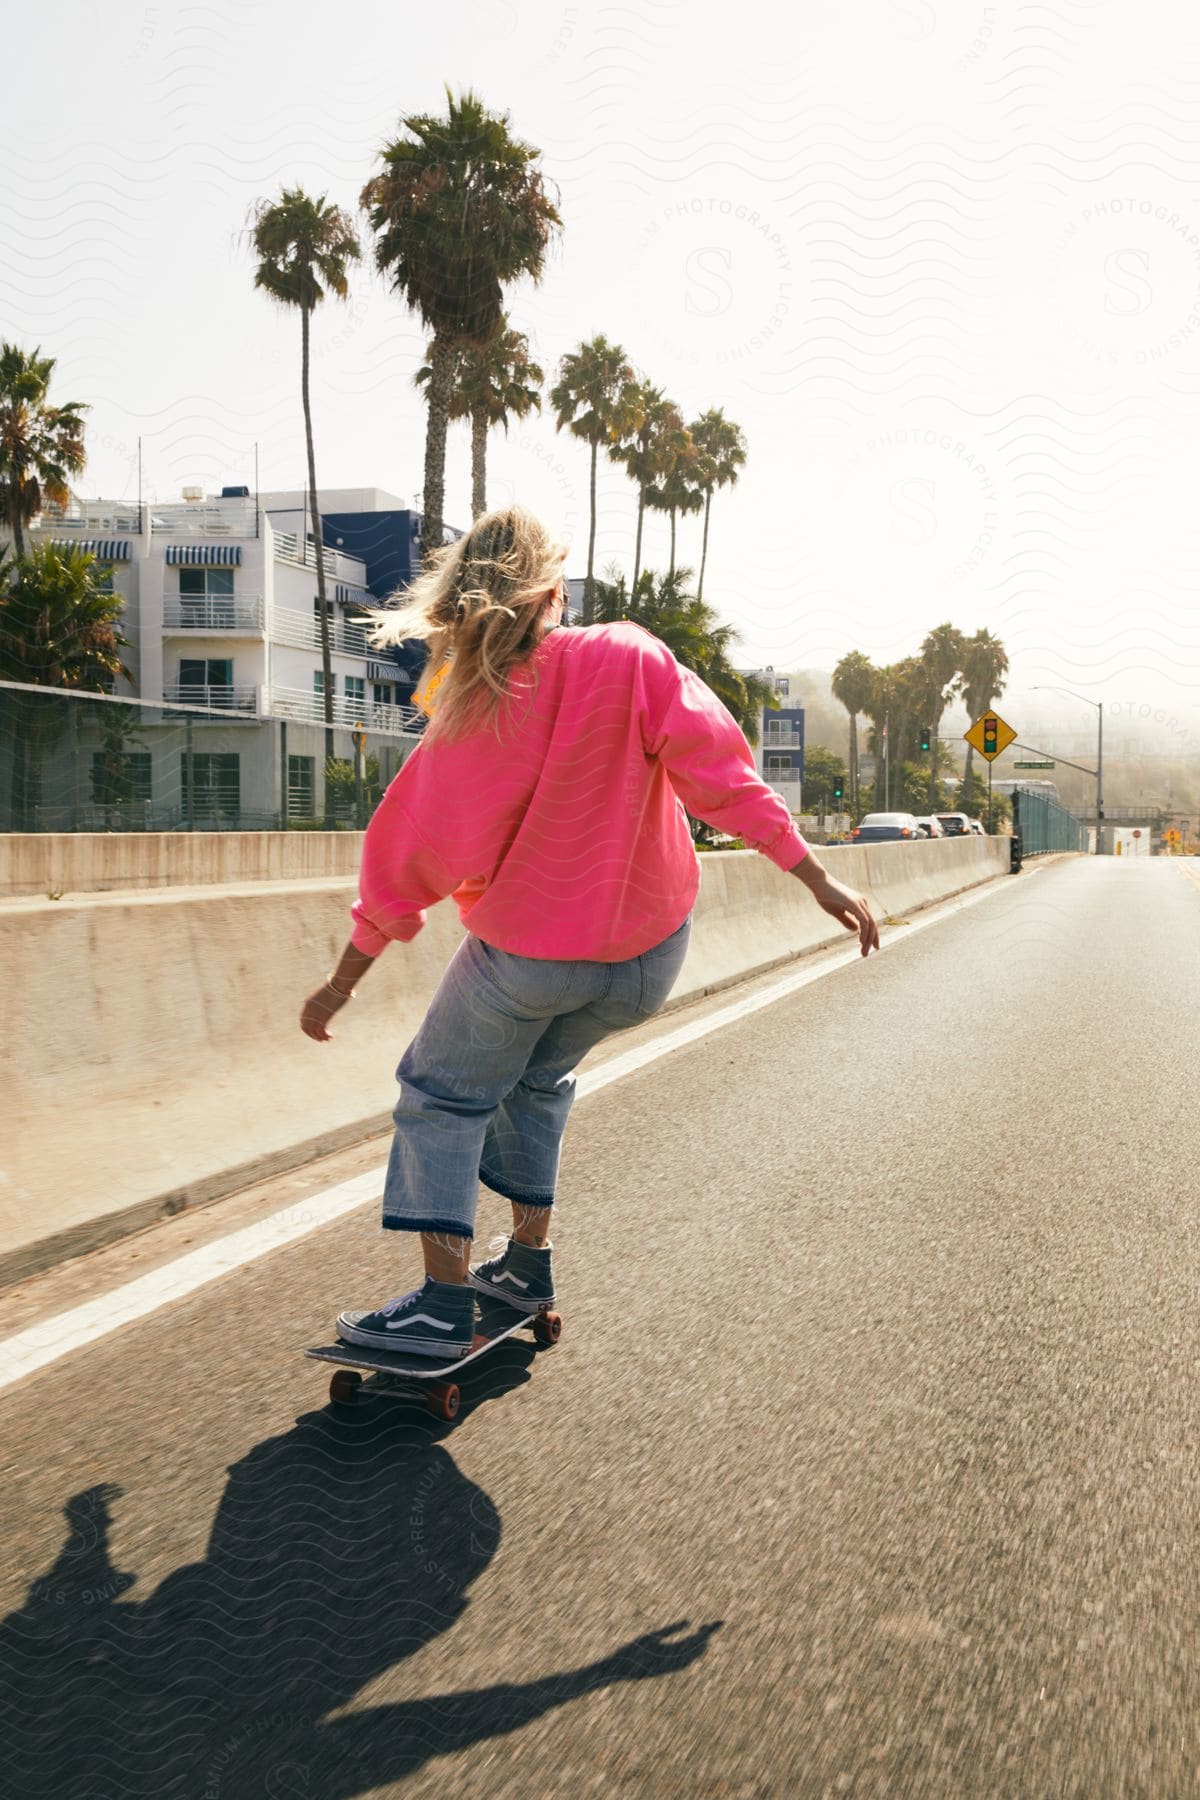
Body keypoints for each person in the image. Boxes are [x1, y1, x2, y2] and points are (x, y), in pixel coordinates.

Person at [299, 507, 879, 1358]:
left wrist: (342, 981)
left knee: (443, 1095)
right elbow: (722, 778)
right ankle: (526, 1265)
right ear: (553, 592)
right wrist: (816, 876)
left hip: (527, 961)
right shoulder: (630, 657)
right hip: (648, 962)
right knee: (535, 1084)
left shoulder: (471, 713)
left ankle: (439, 1303)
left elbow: (406, 861)